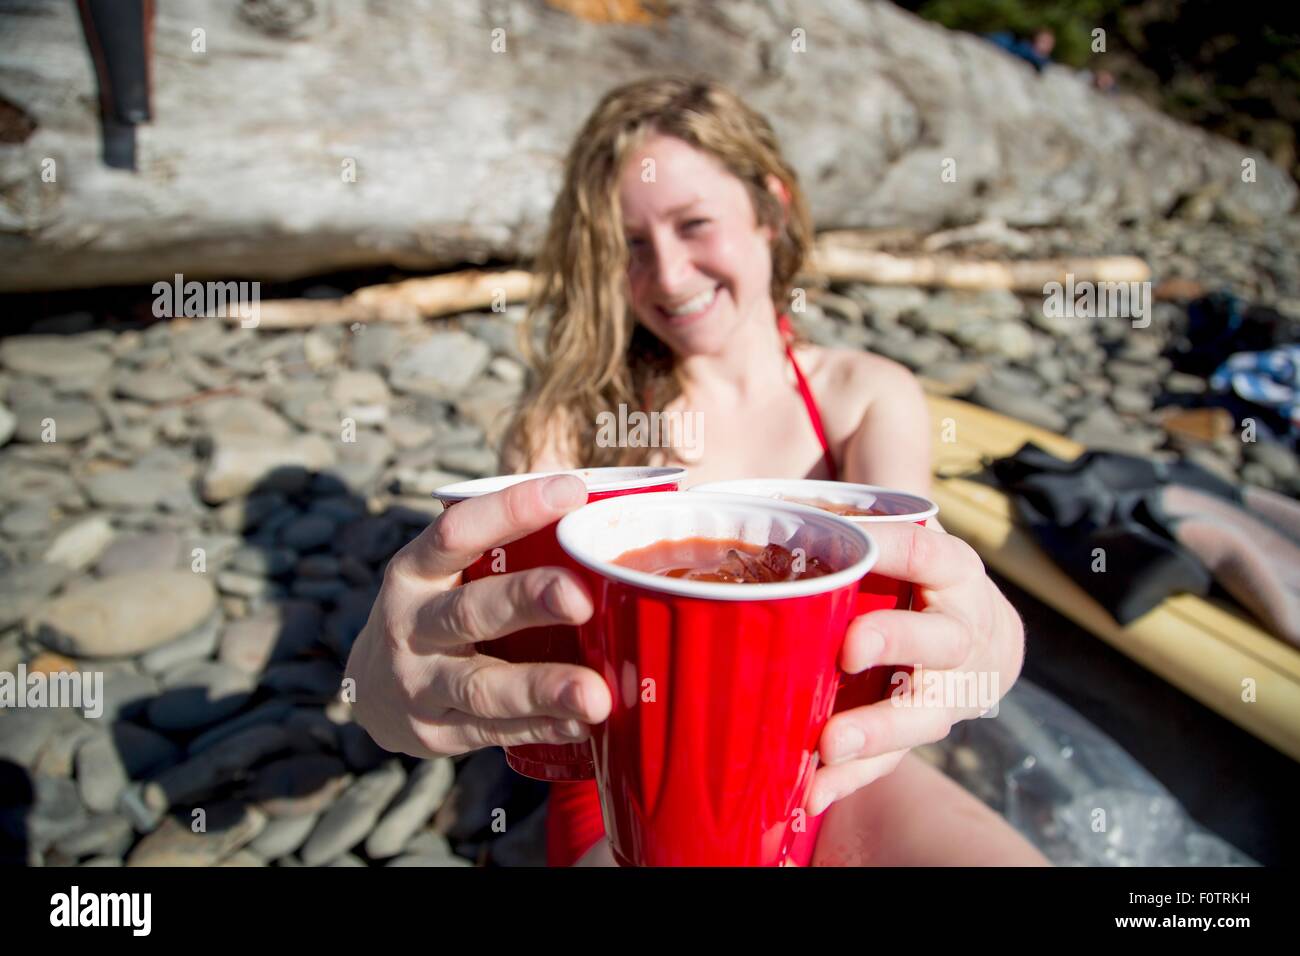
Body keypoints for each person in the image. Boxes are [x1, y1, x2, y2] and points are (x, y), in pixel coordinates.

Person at [345, 76, 1048, 867]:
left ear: (771, 210)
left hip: (836, 765)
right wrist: (384, 684)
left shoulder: (863, 395)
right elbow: (484, 645)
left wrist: (992, 644)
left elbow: (930, 591)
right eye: (633, 247)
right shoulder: (571, 422)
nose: (671, 276)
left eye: (695, 225)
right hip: (628, 783)